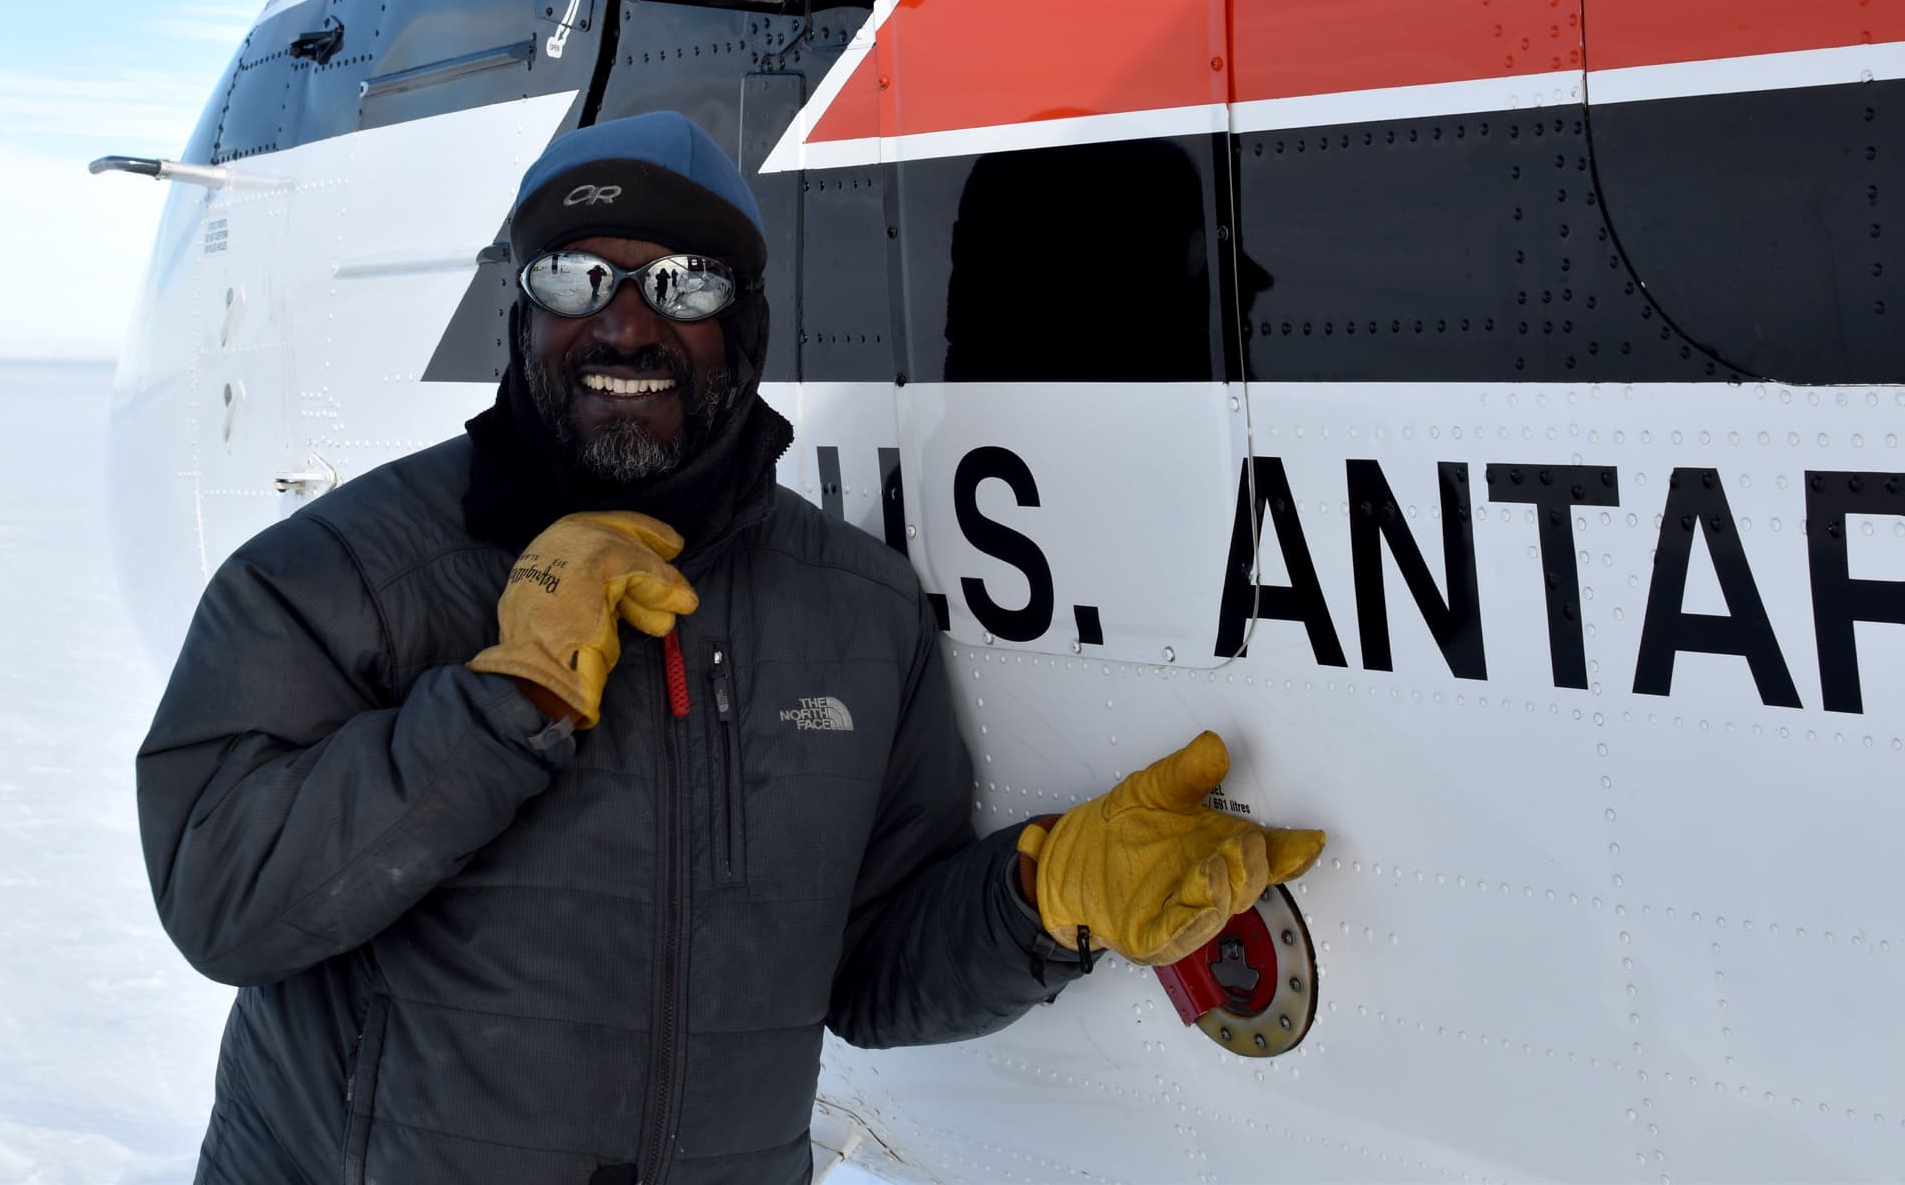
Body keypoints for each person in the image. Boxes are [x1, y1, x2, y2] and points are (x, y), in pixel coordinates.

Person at [136, 111, 1323, 1185]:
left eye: (686, 285)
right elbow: (225, 902)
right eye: (576, 273)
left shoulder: (855, 610)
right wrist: (503, 707)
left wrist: (1039, 897)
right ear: (523, 312)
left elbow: (864, 965)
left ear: (746, 326)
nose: (626, 320)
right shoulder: (343, 574)